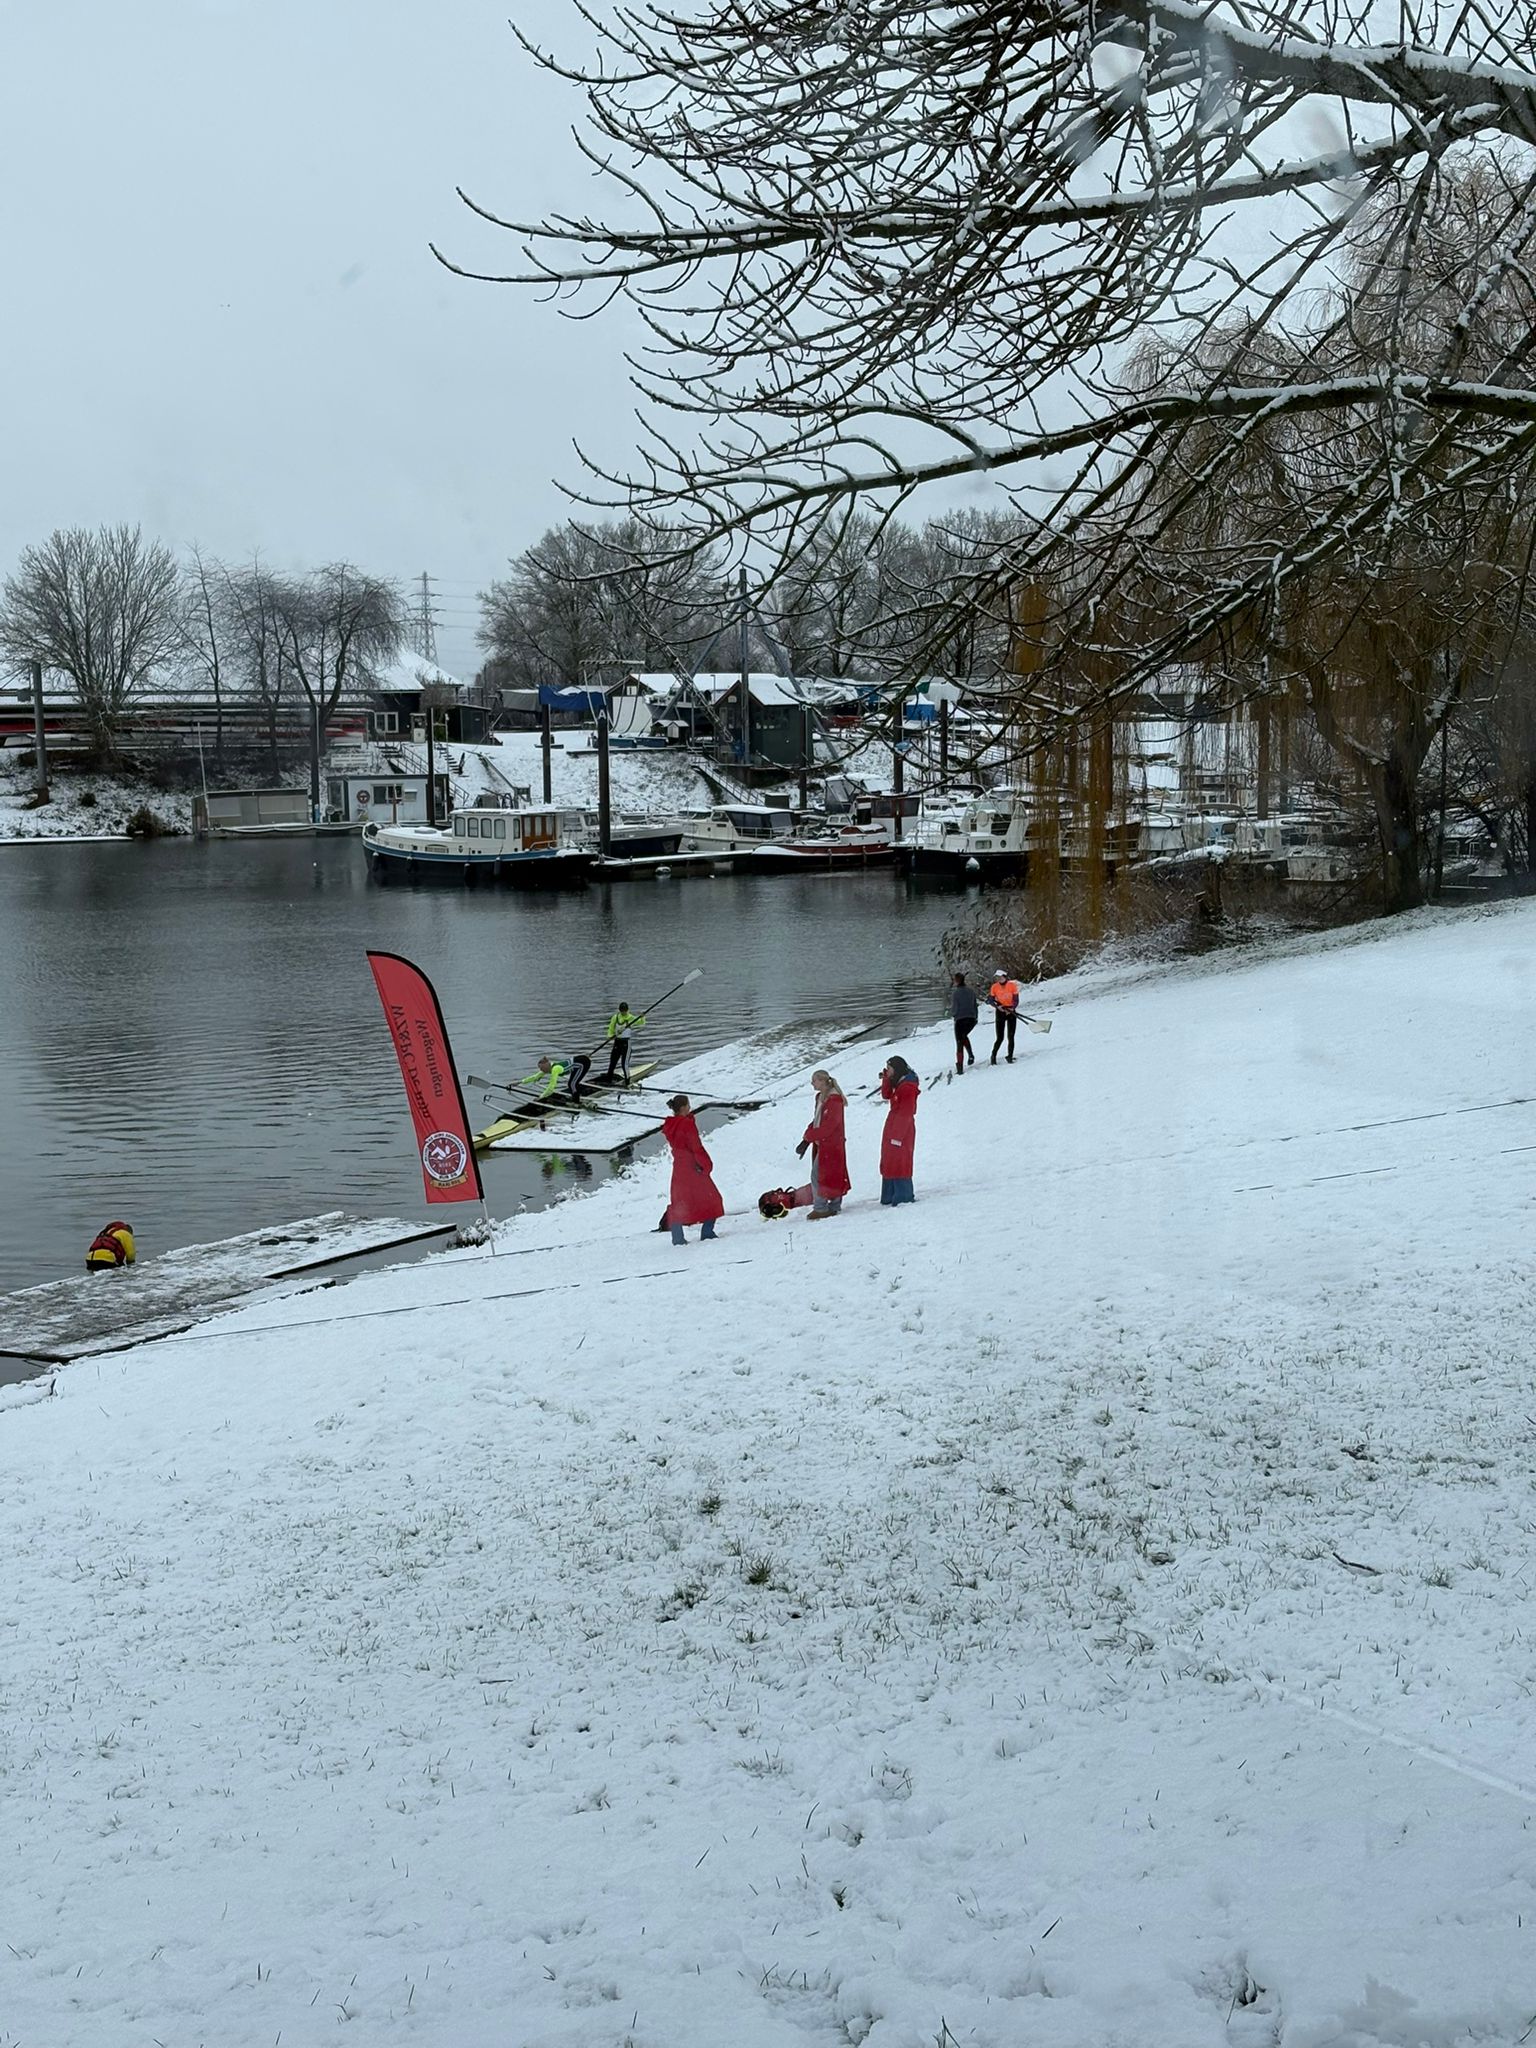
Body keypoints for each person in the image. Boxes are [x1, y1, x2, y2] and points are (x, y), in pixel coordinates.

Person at [661, 1093, 724, 1244]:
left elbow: (681, 1134)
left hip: (679, 1167)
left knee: (680, 1201)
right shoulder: (687, 1125)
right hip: (692, 1166)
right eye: (688, 1105)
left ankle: (677, 1237)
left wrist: (689, 1119)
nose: (690, 1107)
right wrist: (706, 1164)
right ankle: (707, 1232)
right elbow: (696, 1147)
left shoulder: (671, 1125)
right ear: (683, 1108)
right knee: (712, 1199)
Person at [795, 1069, 850, 1218]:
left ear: (822, 1081)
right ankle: (833, 1205)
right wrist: (808, 1134)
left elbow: (829, 1126)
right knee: (832, 1173)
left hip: (831, 1144)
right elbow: (817, 1120)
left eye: (814, 1080)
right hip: (825, 1144)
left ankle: (821, 1208)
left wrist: (810, 1136)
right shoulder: (821, 1098)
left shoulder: (834, 1100)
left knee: (819, 1174)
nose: (812, 1083)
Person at [878, 1057, 920, 1206]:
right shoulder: (898, 1082)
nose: (887, 1071)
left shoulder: (907, 1087)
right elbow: (886, 1095)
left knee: (900, 1161)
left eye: (889, 1069)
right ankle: (889, 1195)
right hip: (893, 1125)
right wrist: (886, 1079)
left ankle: (903, 1195)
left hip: (902, 1129)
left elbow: (906, 1112)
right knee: (890, 1160)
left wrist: (897, 1136)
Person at [603, 1000, 647, 1085]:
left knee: (624, 1064)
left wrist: (642, 1017)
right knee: (612, 1062)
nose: (623, 1012)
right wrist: (610, 1036)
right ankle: (608, 1081)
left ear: (627, 1010)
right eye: (622, 1011)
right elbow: (611, 1028)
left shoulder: (630, 1018)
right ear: (619, 1010)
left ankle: (627, 1082)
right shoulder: (615, 1017)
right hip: (617, 1042)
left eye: (625, 1011)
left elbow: (641, 1023)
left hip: (626, 1044)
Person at [521, 1052, 593, 1103]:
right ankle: (576, 1095)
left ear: (546, 1065)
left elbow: (551, 1087)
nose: (541, 1070)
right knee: (572, 1083)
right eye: (540, 1068)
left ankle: (576, 1101)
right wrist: (520, 1082)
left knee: (572, 1084)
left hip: (583, 1063)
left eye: (541, 1068)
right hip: (578, 1062)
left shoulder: (555, 1069)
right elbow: (535, 1077)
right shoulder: (548, 1068)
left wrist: (540, 1097)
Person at [987, 968, 1023, 1064]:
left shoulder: (1012, 986)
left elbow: (1016, 1000)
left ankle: (1010, 1056)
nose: (998, 979)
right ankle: (993, 1056)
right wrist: (997, 1006)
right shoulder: (994, 987)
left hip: (1011, 1012)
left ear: (1004, 977)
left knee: (1011, 1036)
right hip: (1000, 1012)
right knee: (1000, 1037)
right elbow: (991, 1000)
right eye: (997, 977)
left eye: (1000, 977)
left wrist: (1012, 1008)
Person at [948, 973, 979, 1073]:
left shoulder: (955, 994)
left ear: (956, 981)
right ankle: (970, 1055)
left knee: (959, 1041)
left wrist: (952, 1014)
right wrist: (975, 1017)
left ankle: (960, 1066)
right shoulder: (971, 991)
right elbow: (975, 1005)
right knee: (963, 1036)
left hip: (960, 1019)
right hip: (971, 1019)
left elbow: (954, 1008)